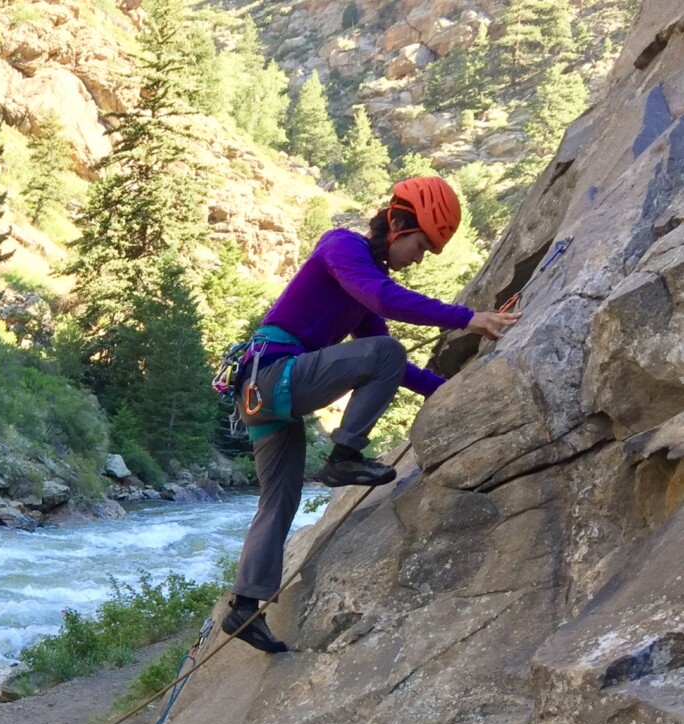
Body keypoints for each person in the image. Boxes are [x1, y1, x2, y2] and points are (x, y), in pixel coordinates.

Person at [222, 175, 519, 654]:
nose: (420, 258)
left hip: (263, 392)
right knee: (386, 349)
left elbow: (393, 364)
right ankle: (344, 455)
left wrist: (451, 392)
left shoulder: (357, 287)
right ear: (399, 224)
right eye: (421, 244)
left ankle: (244, 606)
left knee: (279, 500)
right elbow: (384, 316)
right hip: (275, 375)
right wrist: (469, 318)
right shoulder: (341, 246)